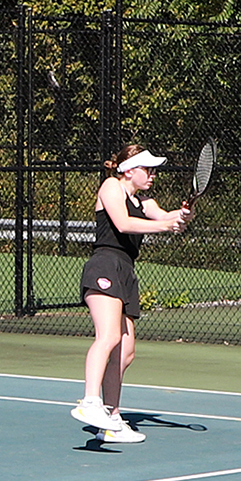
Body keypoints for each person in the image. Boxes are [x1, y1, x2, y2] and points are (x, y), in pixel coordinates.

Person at [72, 145, 191, 444]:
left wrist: (181, 215)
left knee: (125, 351)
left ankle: (111, 420)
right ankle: (89, 402)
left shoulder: (143, 201)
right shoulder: (111, 186)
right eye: (147, 169)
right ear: (128, 170)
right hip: (105, 264)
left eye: (153, 170)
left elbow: (165, 216)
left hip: (125, 270)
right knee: (109, 337)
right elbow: (124, 224)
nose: (152, 175)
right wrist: (165, 225)